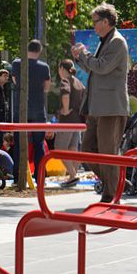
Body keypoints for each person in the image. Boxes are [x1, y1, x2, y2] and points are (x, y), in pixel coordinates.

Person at [71, 2, 129, 203]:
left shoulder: (117, 42)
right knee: (86, 151)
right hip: (97, 107)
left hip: (111, 108)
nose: (93, 25)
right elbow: (96, 70)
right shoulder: (105, 41)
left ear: (106, 21)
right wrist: (80, 59)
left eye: (95, 21)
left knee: (107, 152)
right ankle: (115, 182)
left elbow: (102, 67)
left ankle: (111, 194)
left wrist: (84, 54)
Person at [11, 39, 51, 183]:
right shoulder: (44, 67)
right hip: (38, 109)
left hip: (21, 109)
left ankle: (17, 176)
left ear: (27, 49)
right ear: (39, 51)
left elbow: (15, 81)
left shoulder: (16, 63)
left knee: (18, 142)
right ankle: (40, 176)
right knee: (39, 143)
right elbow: (46, 88)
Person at [56, 59, 86, 187]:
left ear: (62, 68)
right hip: (77, 121)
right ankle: (73, 176)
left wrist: (66, 109)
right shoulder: (79, 83)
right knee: (73, 149)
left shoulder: (65, 81)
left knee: (59, 148)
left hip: (67, 121)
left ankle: (73, 175)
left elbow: (65, 95)